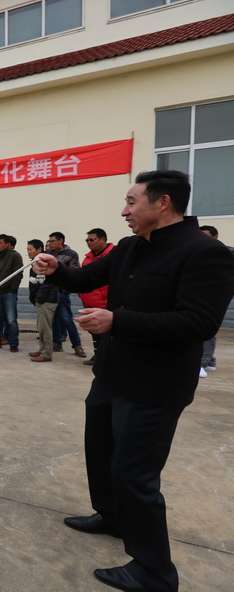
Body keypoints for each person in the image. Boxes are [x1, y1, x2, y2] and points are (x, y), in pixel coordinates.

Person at [33, 170, 234, 592]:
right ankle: (111, 517)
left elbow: (199, 321)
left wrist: (117, 321)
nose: (124, 211)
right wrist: (56, 270)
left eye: (131, 202)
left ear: (163, 203)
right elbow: (86, 279)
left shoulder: (205, 253)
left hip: (155, 385)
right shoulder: (129, 247)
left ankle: (154, 570)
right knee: (101, 452)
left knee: (135, 476)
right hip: (112, 374)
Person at [198, 225, 234, 377]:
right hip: (204, 293)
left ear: (215, 237)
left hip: (216, 294)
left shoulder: (224, 252)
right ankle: (211, 361)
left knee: (207, 326)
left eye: (205, 235)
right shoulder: (201, 251)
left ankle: (202, 363)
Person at [46, 232, 86, 358]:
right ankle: (56, 342)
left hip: (62, 292)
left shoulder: (71, 254)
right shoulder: (47, 254)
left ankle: (77, 345)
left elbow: (75, 272)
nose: (50, 243)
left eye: (52, 241)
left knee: (67, 319)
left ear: (61, 241)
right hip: (50, 292)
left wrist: (66, 287)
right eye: (49, 241)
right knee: (53, 319)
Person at [79, 229, 115, 366]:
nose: (89, 243)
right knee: (94, 332)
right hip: (89, 301)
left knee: (105, 333)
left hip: (104, 303)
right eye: (87, 240)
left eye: (92, 240)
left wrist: (111, 297)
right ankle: (97, 355)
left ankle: (105, 358)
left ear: (103, 240)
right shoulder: (88, 258)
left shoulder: (113, 256)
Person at [0, 234, 24, 352]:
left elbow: (18, 274)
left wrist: (12, 290)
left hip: (9, 293)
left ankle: (13, 344)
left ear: (7, 244)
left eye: (0, 243)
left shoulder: (15, 256)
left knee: (11, 320)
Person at [26, 240, 58, 362]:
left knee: (45, 328)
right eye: (27, 250)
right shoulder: (36, 262)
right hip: (41, 300)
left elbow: (48, 284)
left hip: (47, 300)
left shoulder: (45, 263)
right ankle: (42, 349)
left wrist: (39, 298)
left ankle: (46, 354)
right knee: (41, 327)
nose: (28, 252)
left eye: (31, 250)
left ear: (39, 249)